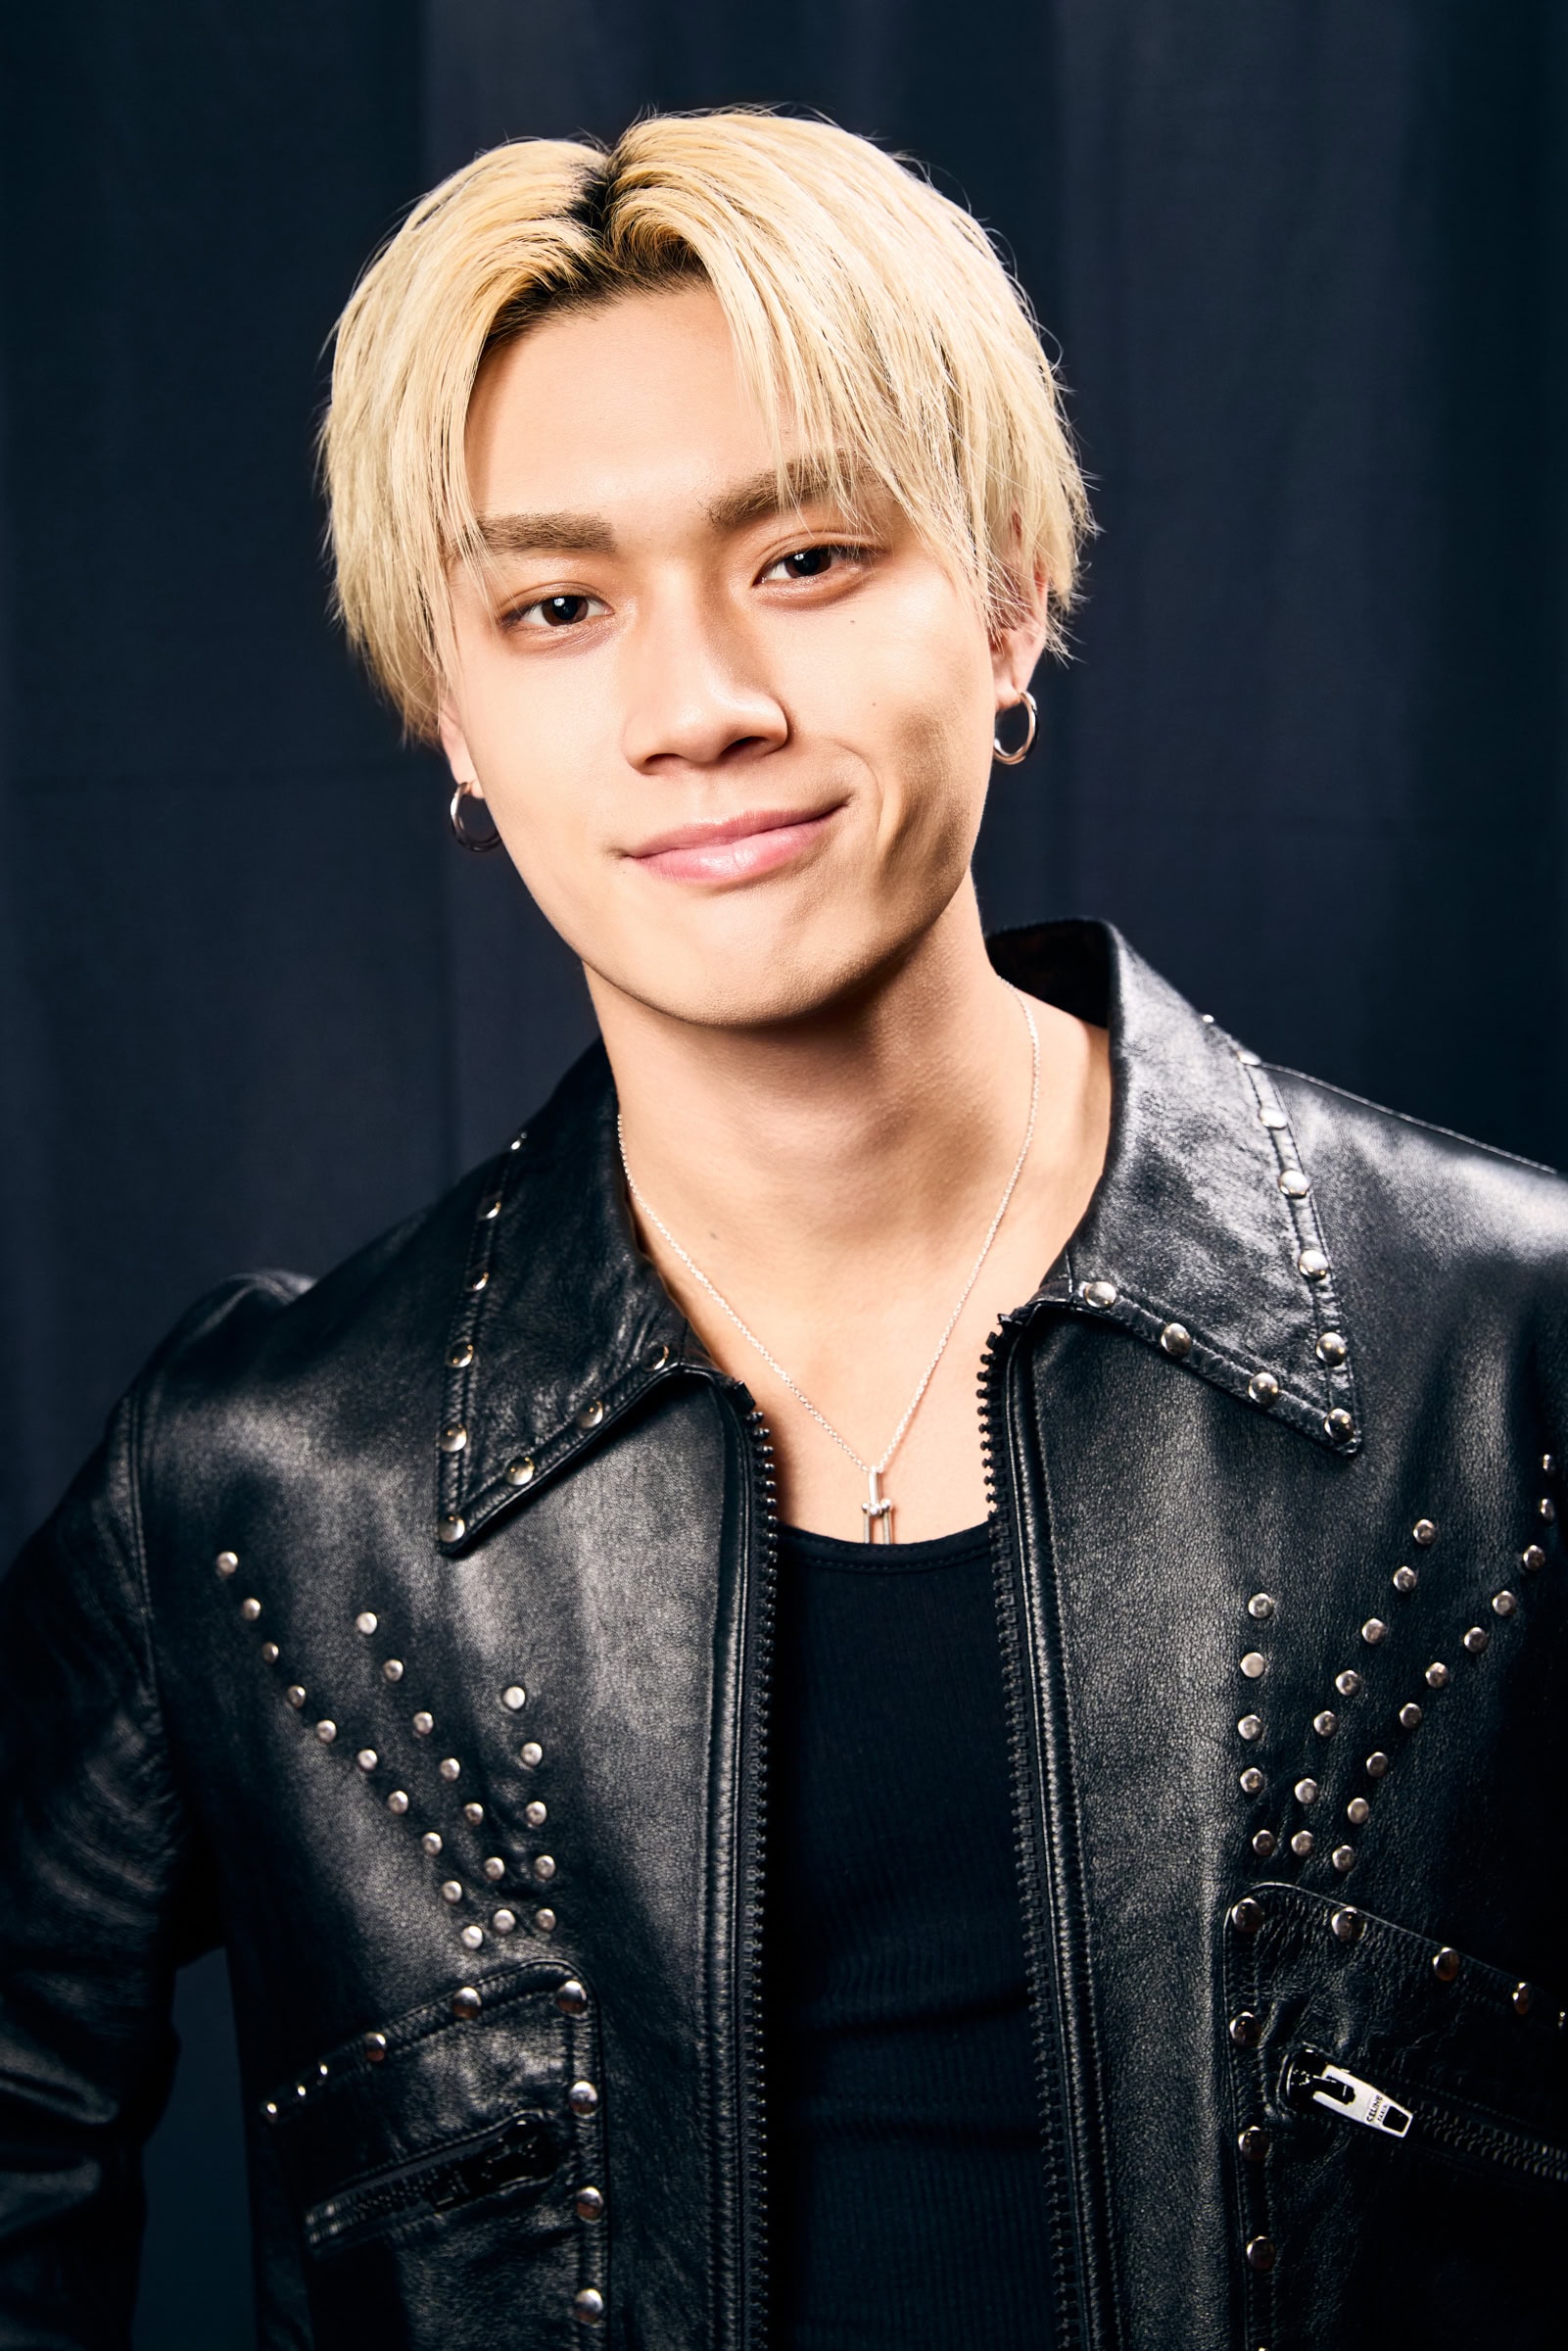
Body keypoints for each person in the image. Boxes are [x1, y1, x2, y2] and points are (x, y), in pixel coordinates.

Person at [0, 108, 1562, 2351]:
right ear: (453, 714)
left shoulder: (1514, 1367)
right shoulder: (259, 1485)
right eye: (558, 608)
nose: (704, 708)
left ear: (1010, 602)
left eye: (809, 558)